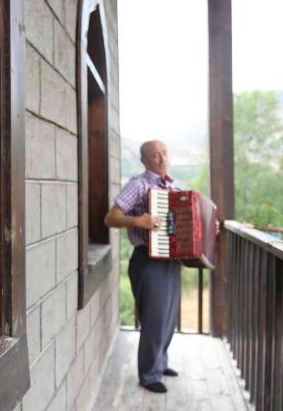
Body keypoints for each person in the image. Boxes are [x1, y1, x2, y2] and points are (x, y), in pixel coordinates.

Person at [104, 140, 180, 394]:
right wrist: (138, 220)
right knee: (154, 319)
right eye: (156, 155)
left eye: (165, 153)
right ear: (144, 160)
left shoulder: (171, 186)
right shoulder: (138, 185)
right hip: (147, 261)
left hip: (170, 261)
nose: (162, 159)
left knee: (168, 318)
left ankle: (160, 363)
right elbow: (111, 217)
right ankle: (149, 375)